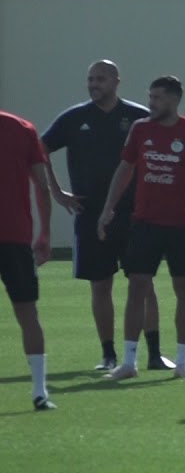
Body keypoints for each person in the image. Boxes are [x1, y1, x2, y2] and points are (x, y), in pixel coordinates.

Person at [42, 60, 168, 371]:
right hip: (89, 213)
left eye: (100, 79)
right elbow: (39, 150)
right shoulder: (74, 118)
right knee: (100, 285)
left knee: (144, 283)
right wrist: (57, 192)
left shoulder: (138, 117)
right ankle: (108, 354)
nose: (94, 84)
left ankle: (154, 354)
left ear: (116, 81)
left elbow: (162, 156)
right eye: (90, 79)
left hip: (134, 215)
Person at [99, 76, 185, 380]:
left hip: (182, 226)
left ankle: (182, 362)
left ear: (174, 99)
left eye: (157, 97)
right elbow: (125, 169)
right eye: (150, 96)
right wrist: (108, 208)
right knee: (137, 286)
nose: (151, 103)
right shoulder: (140, 129)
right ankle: (129, 362)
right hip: (145, 223)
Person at [0, 110, 61, 410]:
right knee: (27, 313)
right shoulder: (22, 128)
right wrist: (45, 232)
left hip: (15, 235)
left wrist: (44, 232)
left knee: (27, 312)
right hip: (16, 237)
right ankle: (40, 392)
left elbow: (42, 184)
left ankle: (40, 391)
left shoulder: (23, 129)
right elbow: (41, 184)